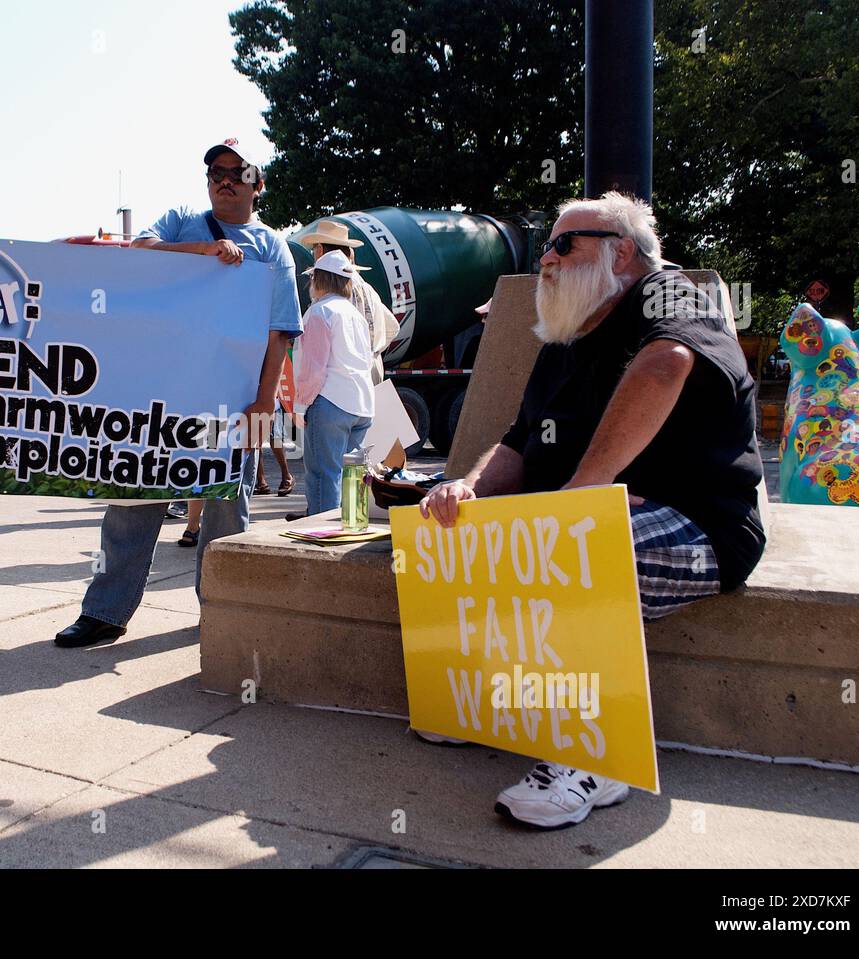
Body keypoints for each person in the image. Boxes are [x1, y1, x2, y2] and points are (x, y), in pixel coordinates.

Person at [419, 191, 767, 829]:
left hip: (701, 527)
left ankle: (592, 758)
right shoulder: (566, 334)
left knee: (577, 550)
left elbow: (667, 365)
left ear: (622, 252)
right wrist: (468, 490)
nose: (545, 259)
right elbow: (520, 440)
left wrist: (584, 494)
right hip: (587, 518)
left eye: (562, 244)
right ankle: (487, 712)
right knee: (449, 537)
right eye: (548, 245)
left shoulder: (669, 295)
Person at [54, 137, 302, 648]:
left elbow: (280, 331)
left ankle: (220, 607)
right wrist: (203, 252)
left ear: (258, 184)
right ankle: (104, 612)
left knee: (227, 506)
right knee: (133, 497)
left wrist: (262, 403)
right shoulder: (181, 220)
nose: (224, 179)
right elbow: (138, 252)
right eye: (215, 171)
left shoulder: (273, 248)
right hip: (160, 395)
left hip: (236, 401)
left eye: (237, 172)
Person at [293, 251, 376, 515]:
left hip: (330, 402)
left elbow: (313, 368)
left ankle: (321, 536)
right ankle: (351, 528)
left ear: (318, 279)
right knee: (353, 476)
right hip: (361, 404)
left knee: (322, 476)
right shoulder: (355, 315)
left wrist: (300, 406)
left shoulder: (319, 312)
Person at [295, 218, 400, 385]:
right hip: (371, 368)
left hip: (347, 376)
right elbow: (393, 326)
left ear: (320, 250)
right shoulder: (366, 287)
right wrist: (373, 351)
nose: (313, 254)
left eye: (314, 248)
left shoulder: (334, 288)